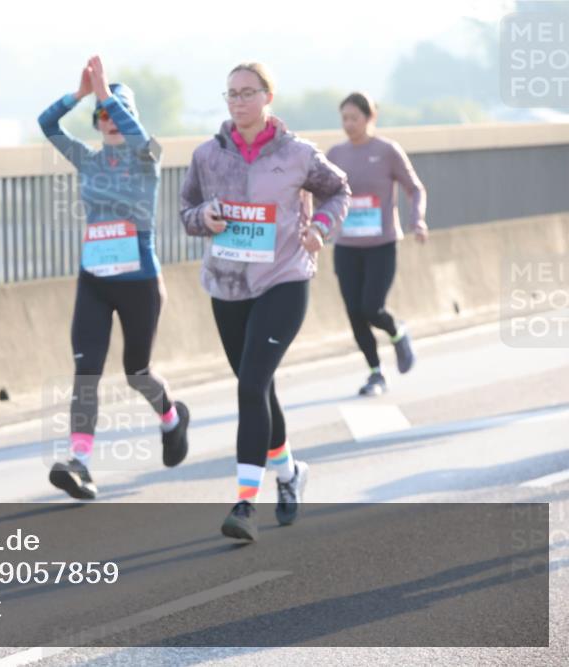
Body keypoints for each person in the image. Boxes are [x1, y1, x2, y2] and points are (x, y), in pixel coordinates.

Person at [180, 62, 350, 541]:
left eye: (247, 92)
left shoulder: (298, 154)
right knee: (258, 388)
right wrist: (204, 217)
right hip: (228, 285)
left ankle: (245, 504)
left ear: (267, 97)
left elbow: (339, 191)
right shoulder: (207, 155)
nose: (238, 101)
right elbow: (186, 211)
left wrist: (320, 228)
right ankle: (291, 473)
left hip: (284, 280)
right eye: (231, 93)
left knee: (251, 385)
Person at [38, 55, 190, 500]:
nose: (108, 119)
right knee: (86, 371)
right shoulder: (88, 160)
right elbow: (47, 125)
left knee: (137, 373)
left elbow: (137, 133)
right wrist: (80, 95)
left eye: (115, 113)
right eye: (101, 115)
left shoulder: (148, 156)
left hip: (139, 281)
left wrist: (107, 95)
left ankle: (172, 419)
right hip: (95, 280)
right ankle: (79, 463)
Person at [327, 92, 427, 396]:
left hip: (381, 243)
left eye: (354, 118)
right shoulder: (335, 154)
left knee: (371, 307)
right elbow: (321, 192)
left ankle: (397, 332)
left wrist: (417, 220)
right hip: (346, 245)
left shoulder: (387, 151)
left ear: (371, 117)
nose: (348, 124)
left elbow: (415, 189)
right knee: (354, 311)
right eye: (344, 118)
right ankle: (375, 372)